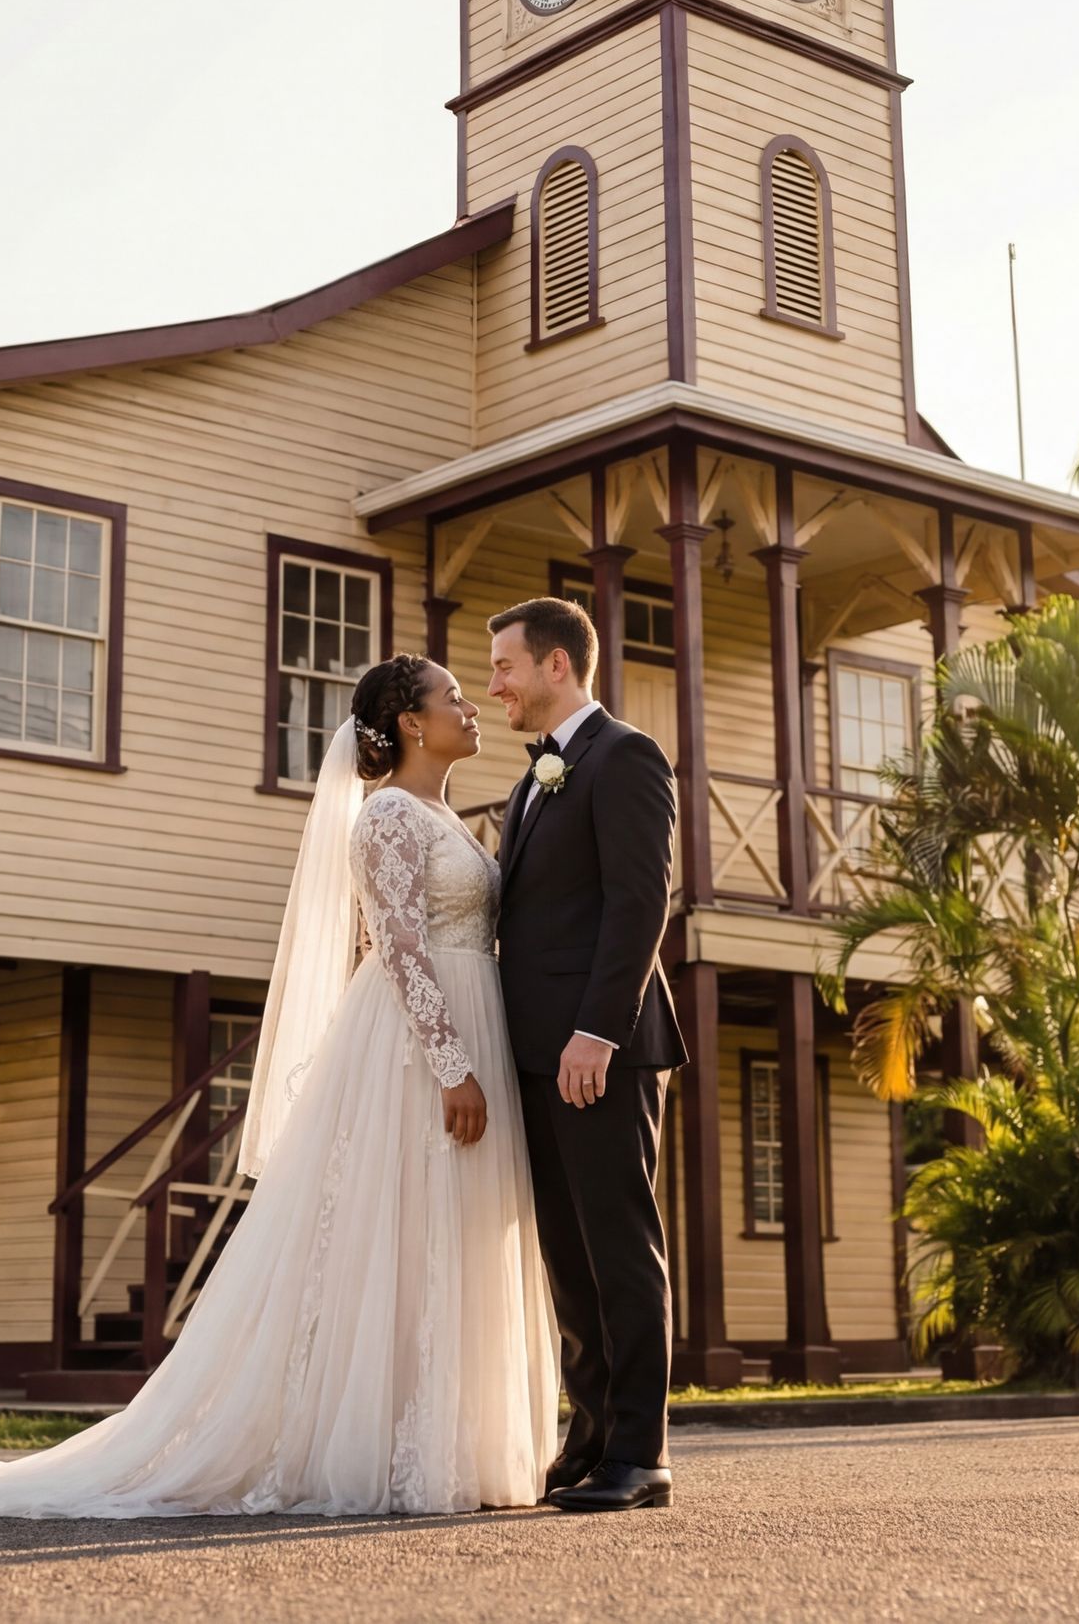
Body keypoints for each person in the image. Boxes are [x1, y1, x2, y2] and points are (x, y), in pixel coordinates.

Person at [0, 657, 557, 1519]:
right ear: (412, 722)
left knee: (443, 1235)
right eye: (453, 696)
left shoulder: (449, 816)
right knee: (397, 1232)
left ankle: (446, 1439)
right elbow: (402, 944)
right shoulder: (386, 817)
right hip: (419, 1047)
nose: (471, 706)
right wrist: (453, 1064)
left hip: (470, 1017)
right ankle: (368, 1445)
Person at [483, 596, 683, 1514]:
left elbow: (641, 902)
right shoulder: (535, 779)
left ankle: (641, 1453)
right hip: (537, 1053)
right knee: (569, 1254)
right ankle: (592, 1435)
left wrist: (596, 1031)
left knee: (619, 1244)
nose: (497, 686)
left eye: (505, 667)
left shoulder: (626, 756)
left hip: (600, 1047)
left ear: (557, 665)